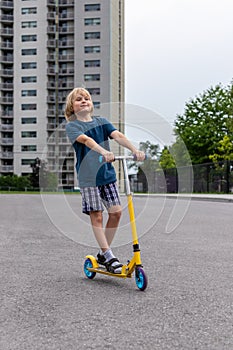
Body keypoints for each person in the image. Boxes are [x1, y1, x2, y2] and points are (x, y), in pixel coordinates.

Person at [65, 87, 145, 274]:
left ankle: (103, 254)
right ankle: (108, 255)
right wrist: (104, 152)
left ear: (91, 104)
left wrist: (134, 150)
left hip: (107, 176)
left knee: (116, 213)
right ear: (72, 106)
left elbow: (118, 136)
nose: (84, 101)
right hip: (89, 178)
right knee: (98, 215)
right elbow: (86, 141)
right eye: (79, 99)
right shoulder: (73, 126)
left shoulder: (102, 122)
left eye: (87, 98)